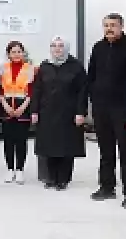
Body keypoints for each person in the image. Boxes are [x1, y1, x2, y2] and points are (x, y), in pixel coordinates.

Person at [88, 13, 126, 207]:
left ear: (122, 26)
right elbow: (92, 75)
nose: (109, 29)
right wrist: (93, 99)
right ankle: (107, 186)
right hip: (101, 107)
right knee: (105, 149)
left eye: (113, 25)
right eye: (106, 25)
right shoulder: (98, 47)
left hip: (123, 108)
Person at [31, 37, 88, 190]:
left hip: (68, 113)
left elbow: (82, 91)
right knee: (49, 145)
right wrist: (34, 110)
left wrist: (81, 112)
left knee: (66, 146)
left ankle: (63, 179)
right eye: (54, 46)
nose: (57, 49)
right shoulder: (44, 66)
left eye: (61, 46)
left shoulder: (76, 66)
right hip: (47, 112)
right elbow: (37, 90)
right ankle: (50, 177)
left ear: (66, 48)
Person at [0, 41, 34, 184]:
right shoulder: (3, 68)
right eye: (13, 52)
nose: (17, 54)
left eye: (19, 51)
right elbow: (0, 90)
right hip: (6, 109)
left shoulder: (29, 69)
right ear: (8, 54)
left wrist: (22, 108)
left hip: (23, 110)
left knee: (21, 141)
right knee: (8, 141)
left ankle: (19, 170)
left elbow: (31, 91)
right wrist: (5, 105)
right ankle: (10, 169)